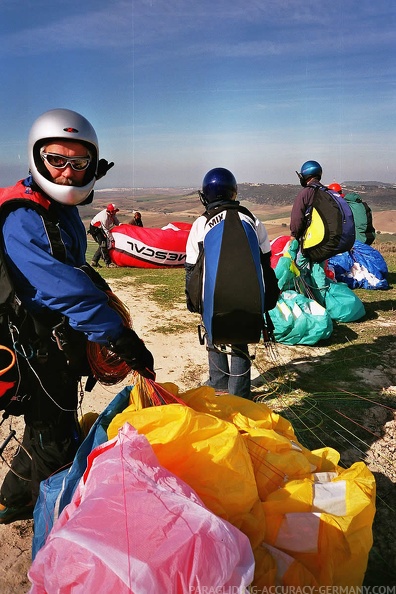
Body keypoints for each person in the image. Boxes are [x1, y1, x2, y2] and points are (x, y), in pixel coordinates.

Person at [0, 108, 154, 524]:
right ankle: (58, 523)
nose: (68, 172)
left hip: (50, 338)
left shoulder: (56, 208)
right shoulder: (25, 217)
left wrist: (100, 290)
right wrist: (119, 337)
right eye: (57, 160)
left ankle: (11, 499)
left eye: (79, 163)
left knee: (47, 423)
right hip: (35, 346)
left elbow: (71, 266)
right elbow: (59, 287)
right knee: (55, 433)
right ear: (37, 159)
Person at [185, 167, 279, 400]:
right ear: (233, 192)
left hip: (214, 295)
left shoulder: (202, 223)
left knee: (212, 334)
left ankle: (218, 383)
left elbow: (191, 267)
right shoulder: (252, 218)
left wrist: (194, 301)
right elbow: (266, 259)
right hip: (249, 295)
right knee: (240, 339)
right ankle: (240, 394)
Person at [290, 159, 324, 244]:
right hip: (330, 241)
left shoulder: (305, 193)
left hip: (313, 242)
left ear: (306, 174)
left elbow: (297, 219)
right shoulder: (328, 192)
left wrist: (293, 237)